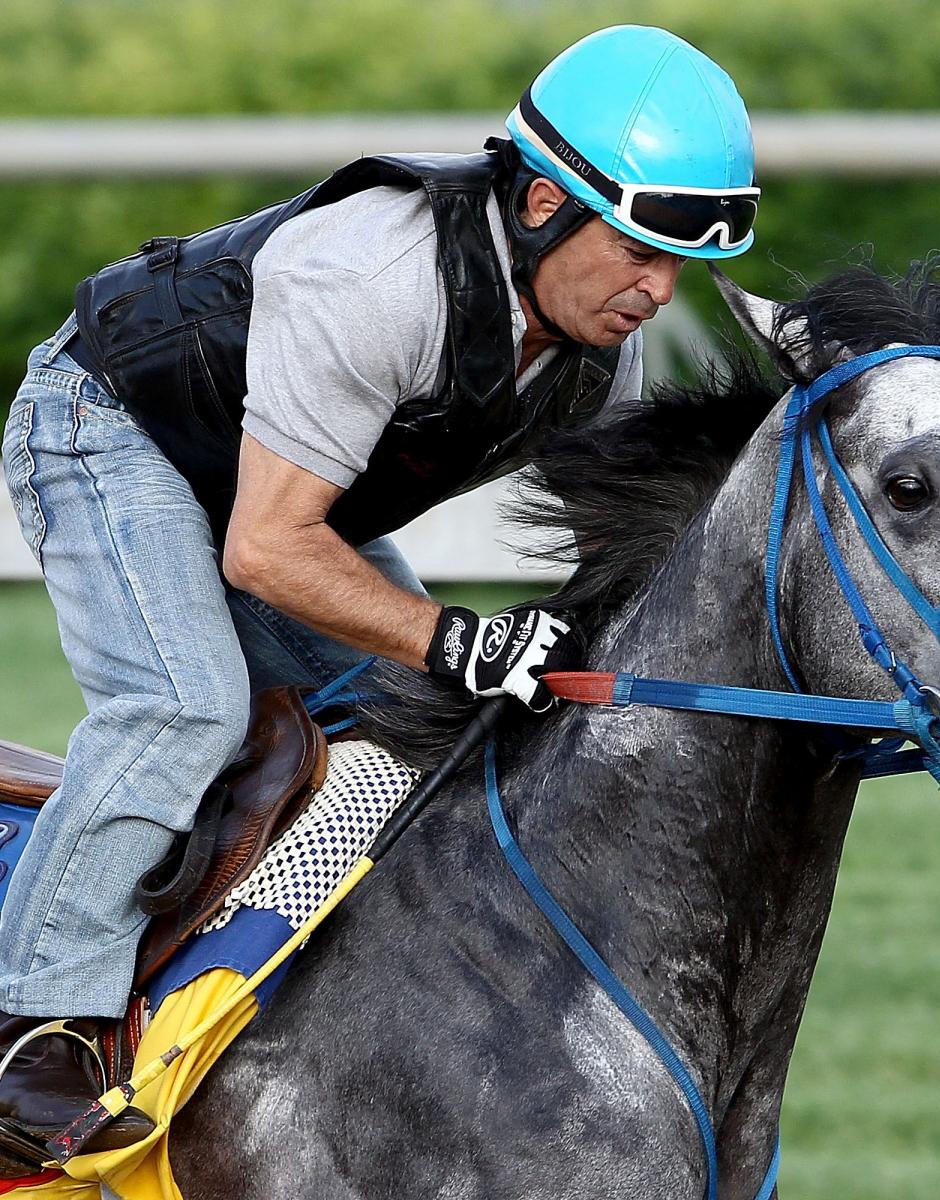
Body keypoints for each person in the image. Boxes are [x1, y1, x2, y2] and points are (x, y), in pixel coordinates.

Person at [0, 24, 758, 1172]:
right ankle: (36, 1024)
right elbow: (266, 549)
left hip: (267, 497)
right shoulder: (375, 279)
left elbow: (628, 568)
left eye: (679, 264)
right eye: (640, 252)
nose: (660, 291)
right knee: (185, 708)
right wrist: (461, 638)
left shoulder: (603, 354)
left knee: (420, 727)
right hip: (112, 433)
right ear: (546, 205)